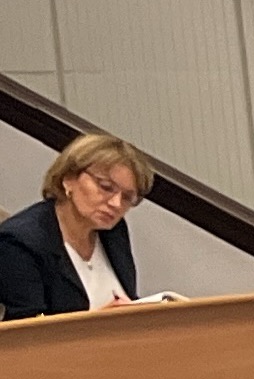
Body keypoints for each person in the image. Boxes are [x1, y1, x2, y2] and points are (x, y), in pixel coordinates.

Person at [0, 133, 151, 319]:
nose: (116, 203)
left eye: (127, 197)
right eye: (105, 187)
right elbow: (29, 330)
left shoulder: (113, 231)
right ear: (69, 178)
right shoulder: (19, 243)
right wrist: (98, 323)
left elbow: (128, 298)